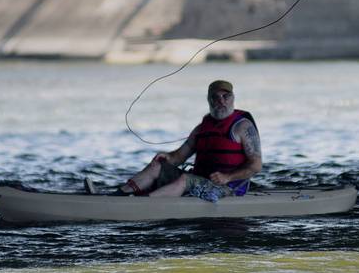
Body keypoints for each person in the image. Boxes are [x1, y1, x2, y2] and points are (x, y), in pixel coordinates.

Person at [85, 80, 261, 202]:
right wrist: (167, 157)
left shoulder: (243, 127)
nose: (221, 101)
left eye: (226, 96)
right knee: (158, 166)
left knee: (186, 179)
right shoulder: (202, 128)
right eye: (215, 97)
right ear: (209, 100)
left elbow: (255, 166)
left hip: (227, 187)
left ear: (233, 98)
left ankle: (141, 205)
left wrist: (227, 177)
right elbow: (179, 157)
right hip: (200, 180)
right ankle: (117, 197)